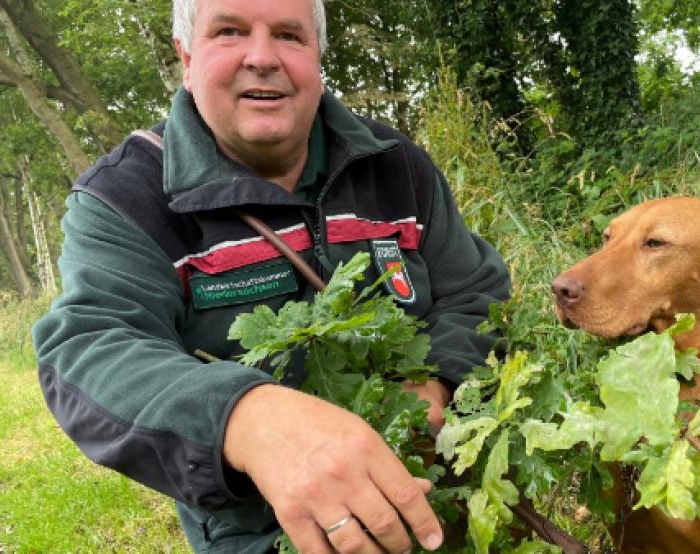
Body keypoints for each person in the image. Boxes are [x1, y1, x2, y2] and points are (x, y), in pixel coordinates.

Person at [31, 0, 511, 552]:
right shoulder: (124, 197)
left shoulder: (397, 165)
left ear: (317, 55)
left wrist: (438, 384)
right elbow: (91, 347)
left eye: (289, 35)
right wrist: (248, 419)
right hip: (264, 536)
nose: (262, 58)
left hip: (439, 507)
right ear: (185, 55)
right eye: (230, 32)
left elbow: (474, 290)